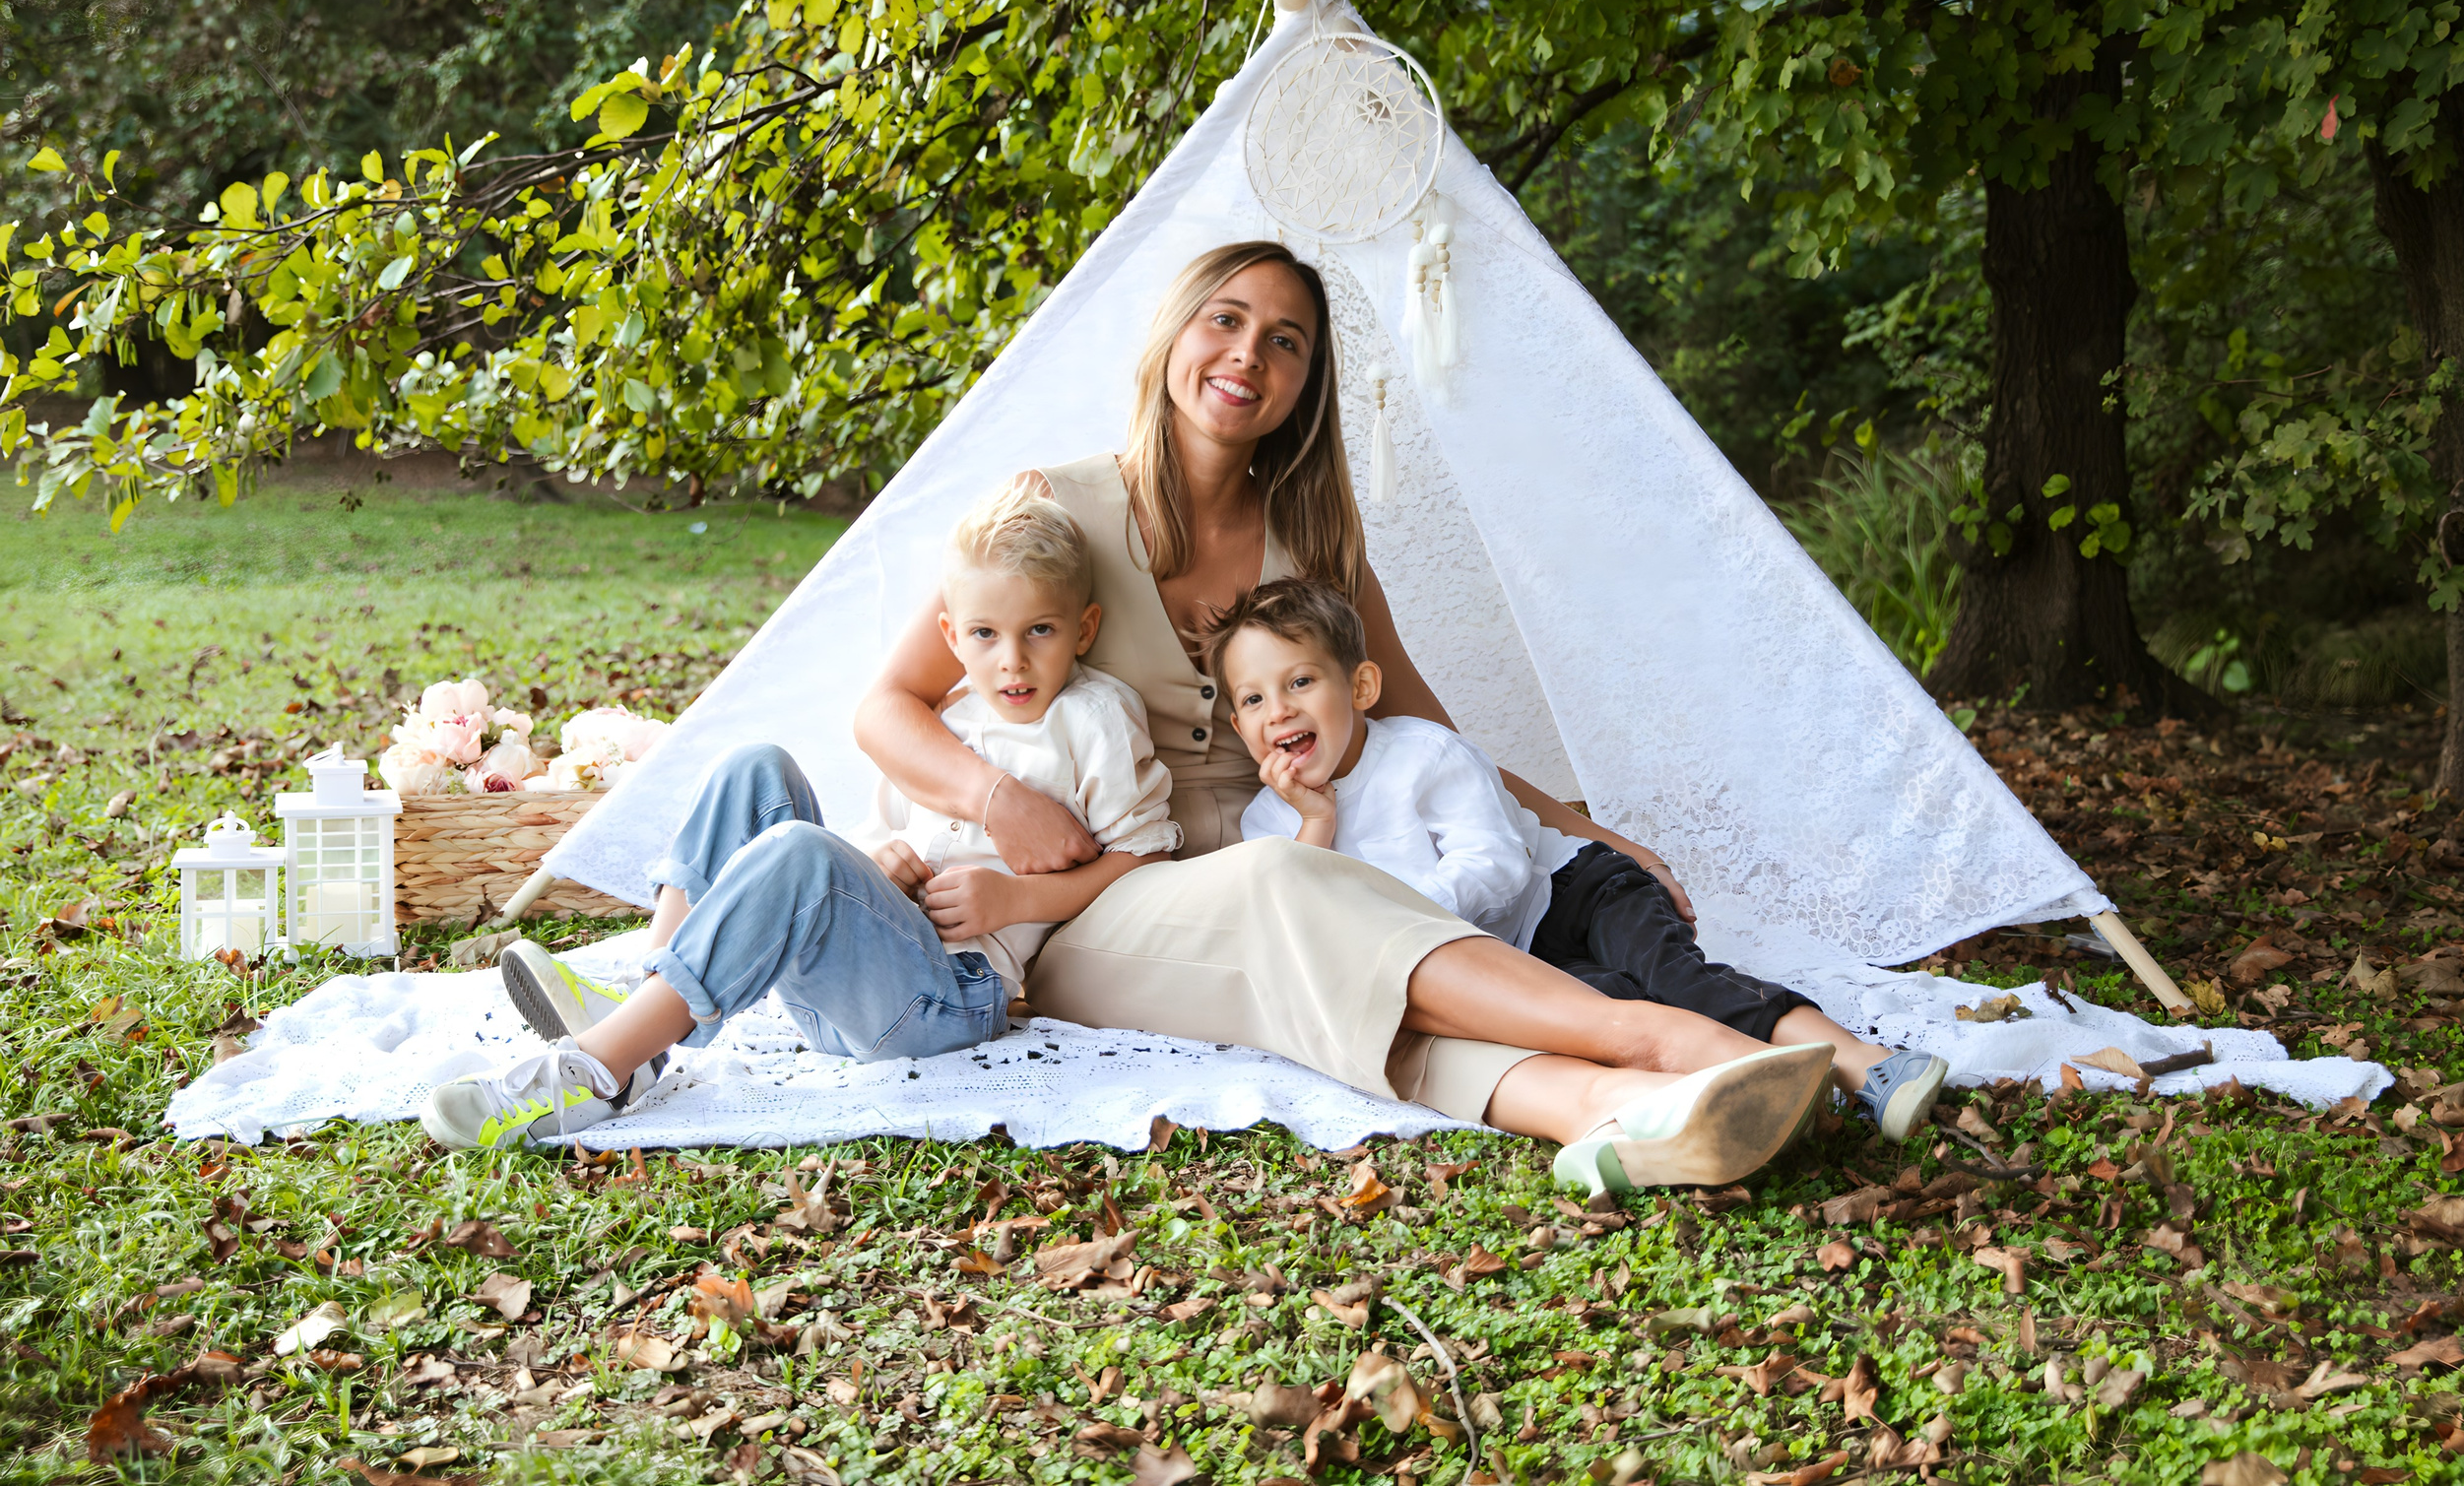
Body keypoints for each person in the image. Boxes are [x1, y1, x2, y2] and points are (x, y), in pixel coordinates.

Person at [851, 239, 1880, 1191]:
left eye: (1283, 340)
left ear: (1305, 384)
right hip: (1090, 899)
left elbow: (1430, 729)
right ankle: (1661, 1043)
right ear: (1173, 332)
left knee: (1338, 963)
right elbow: (887, 704)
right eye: (1224, 319)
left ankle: (1608, 1109)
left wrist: (1587, 831)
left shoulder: (1316, 547)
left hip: (1297, 863)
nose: (1247, 353)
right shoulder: (1054, 508)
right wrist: (997, 798)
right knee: (1291, 888)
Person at [421, 485, 1176, 1149]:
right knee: (756, 769)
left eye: (1038, 632)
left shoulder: (1096, 720)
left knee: (800, 856)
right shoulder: (950, 713)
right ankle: (644, 1014)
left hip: (952, 996)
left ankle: (601, 1070)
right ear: (951, 636)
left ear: (1082, 629)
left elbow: (1145, 860)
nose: (1011, 659)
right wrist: (884, 865)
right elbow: (894, 842)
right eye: (985, 635)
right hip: (857, 990)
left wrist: (1016, 899)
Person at [1203, 574, 1950, 1189]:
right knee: (1610, 1012)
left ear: (1362, 685)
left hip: (1574, 891)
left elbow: (1494, 869)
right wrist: (1318, 829)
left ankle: (1872, 1066)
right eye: (1254, 698)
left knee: (1674, 976)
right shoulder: (1270, 829)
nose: (1281, 710)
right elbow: (1317, 915)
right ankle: (1760, 1090)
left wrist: (1408, 926)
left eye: (1301, 681)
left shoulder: (1426, 756)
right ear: (1238, 726)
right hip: (1516, 960)